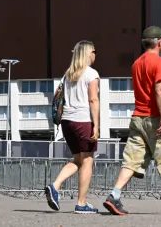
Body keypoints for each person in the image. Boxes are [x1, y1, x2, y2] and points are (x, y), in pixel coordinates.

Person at [102, 26, 161, 216]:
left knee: (132, 159)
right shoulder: (160, 62)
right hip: (156, 118)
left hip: (138, 118)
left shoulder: (136, 64)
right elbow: (159, 90)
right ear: (160, 42)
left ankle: (114, 195)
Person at [45, 40, 101, 214]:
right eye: (94, 51)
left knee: (77, 160)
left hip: (67, 122)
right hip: (83, 120)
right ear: (87, 53)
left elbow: (59, 97)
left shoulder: (68, 74)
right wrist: (96, 126)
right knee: (87, 160)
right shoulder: (91, 74)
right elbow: (93, 100)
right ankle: (81, 203)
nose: (95, 55)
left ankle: (55, 185)